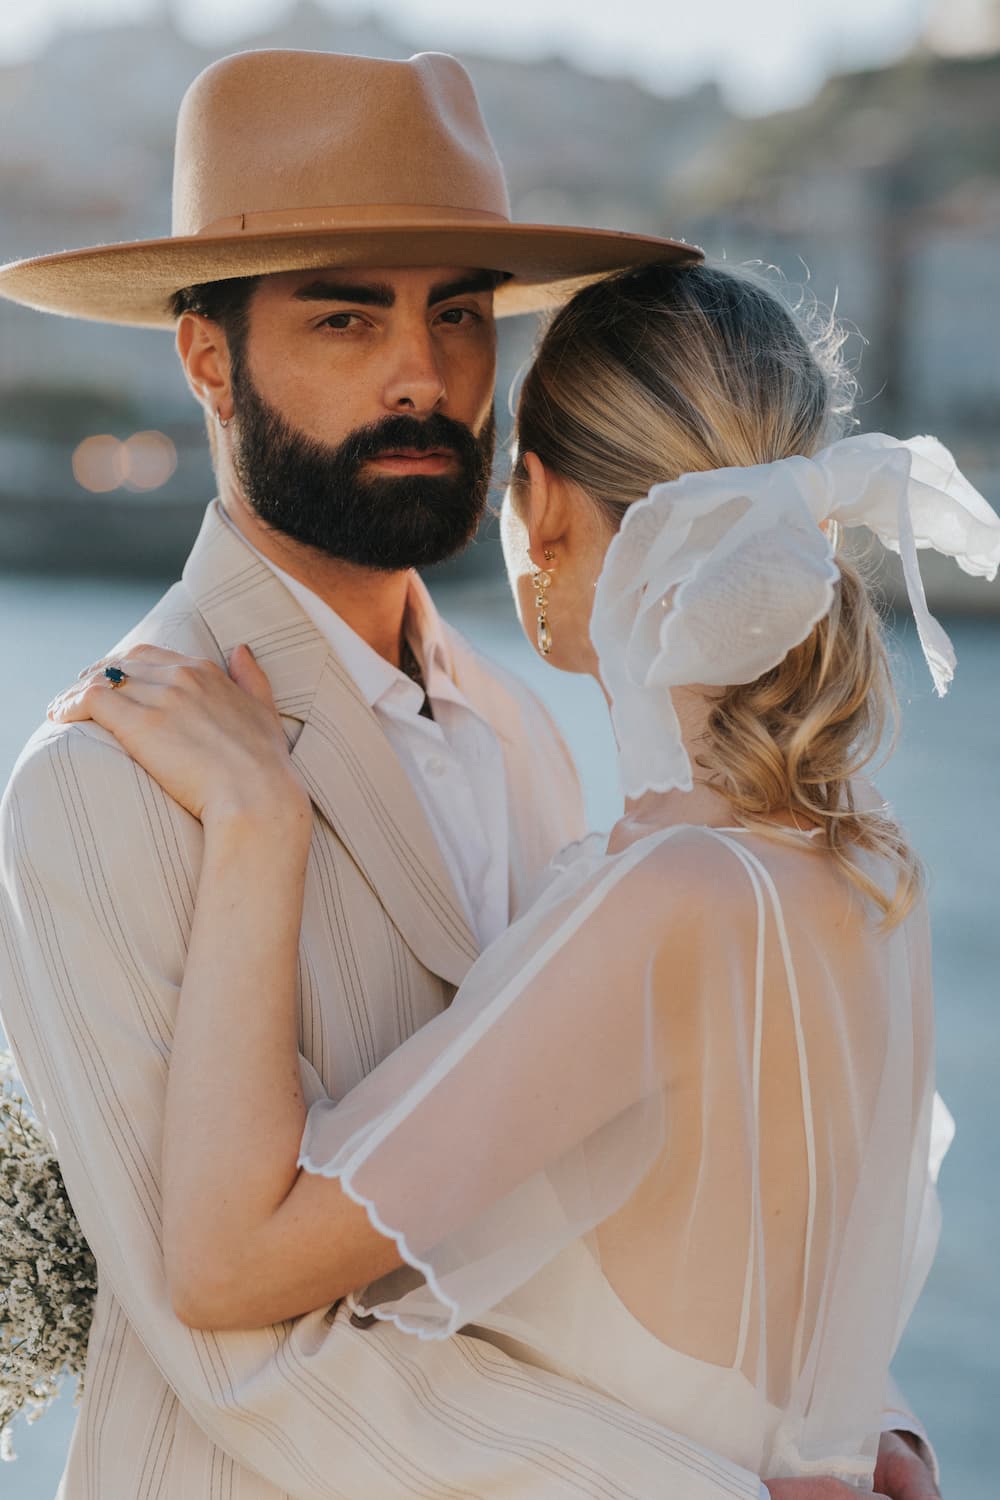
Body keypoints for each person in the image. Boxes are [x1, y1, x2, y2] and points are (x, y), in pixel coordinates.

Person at [0, 45, 949, 1500]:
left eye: (458, 312)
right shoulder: (103, 777)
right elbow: (251, 1352)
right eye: (344, 316)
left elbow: (620, 1186)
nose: (422, 374)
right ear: (207, 355)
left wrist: (846, 1427)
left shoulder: (521, 728)